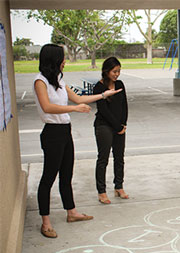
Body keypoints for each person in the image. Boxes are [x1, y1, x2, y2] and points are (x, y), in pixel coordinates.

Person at [34, 44, 121, 238]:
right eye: (62, 58)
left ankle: (71, 212)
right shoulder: (40, 82)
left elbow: (78, 98)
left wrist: (103, 95)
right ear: (53, 60)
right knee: (48, 178)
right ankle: (45, 222)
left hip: (65, 131)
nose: (64, 61)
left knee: (66, 175)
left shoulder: (58, 80)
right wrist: (74, 109)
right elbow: (47, 107)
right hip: (52, 133)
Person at [93, 57, 128, 204]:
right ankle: (101, 191)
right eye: (114, 71)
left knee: (119, 157)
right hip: (104, 126)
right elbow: (104, 111)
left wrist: (123, 124)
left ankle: (118, 186)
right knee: (103, 158)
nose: (117, 74)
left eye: (119, 71)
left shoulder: (120, 84)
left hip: (119, 126)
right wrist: (117, 126)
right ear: (106, 71)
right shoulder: (99, 88)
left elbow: (124, 105)